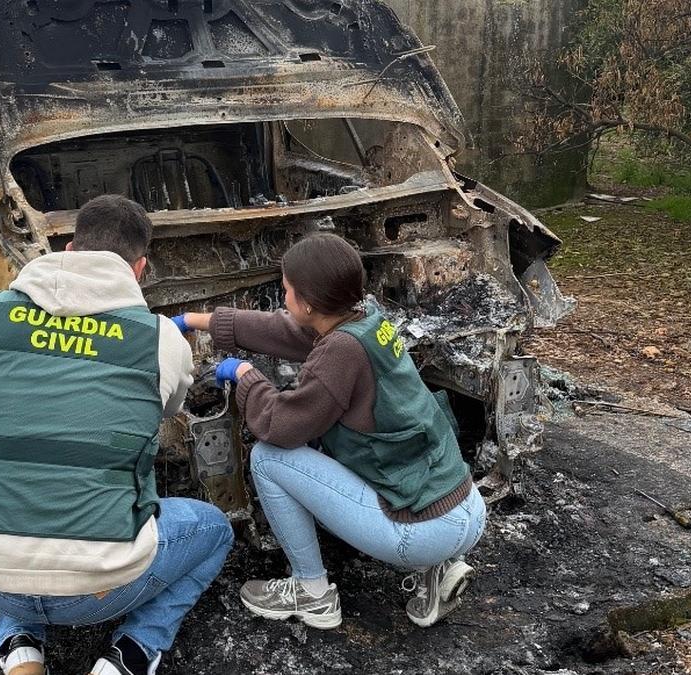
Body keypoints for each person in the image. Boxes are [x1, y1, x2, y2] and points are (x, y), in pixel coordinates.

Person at [0, 195, 234, 675]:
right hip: (99, 592)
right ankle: (131, 654)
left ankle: (20, 646)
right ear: (139, 269)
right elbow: (167, 410)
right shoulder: (159, 337)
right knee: (213, 529)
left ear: (70, 247)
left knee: (14, 485)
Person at [174, 233, 485, 630]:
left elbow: (279, 425)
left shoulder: (340, 352)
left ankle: (312, 592)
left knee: (268, 458)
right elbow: (285, 331)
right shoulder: (365, 320)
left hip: (421, 530)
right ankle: (435, 570)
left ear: (307, 303)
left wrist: (245, 376)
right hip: (465, 508)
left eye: (286, 291)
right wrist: (196, 321)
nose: (283, 300)